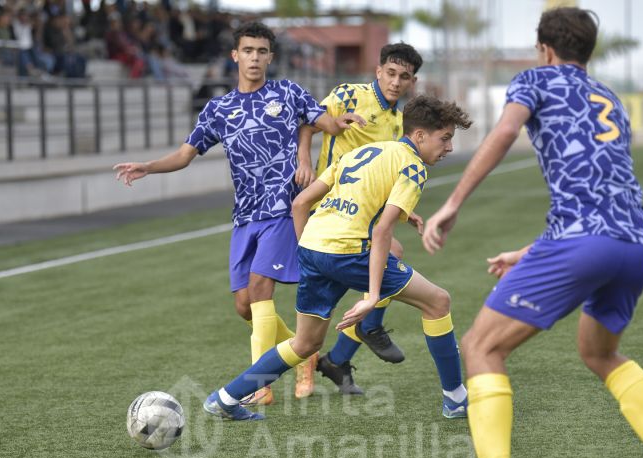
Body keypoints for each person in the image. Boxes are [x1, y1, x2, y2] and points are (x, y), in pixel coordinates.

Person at [420, 7, 643, 458]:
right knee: (599, 351)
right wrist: (531, 253)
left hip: (582, 242)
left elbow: (505, 133)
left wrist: (454, 202)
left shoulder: (534, 79)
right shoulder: (612, 99)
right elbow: (602, 188)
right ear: (587, 51)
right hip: (637, 243)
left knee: (482, 346)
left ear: (544, 50)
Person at [114, 21, 364, 406]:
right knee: (245, 305)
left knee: (262, 290)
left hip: (282, 209)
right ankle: (304, 353)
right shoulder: (219, 109)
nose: (255, 58)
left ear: (270, 57)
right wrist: (148, 166)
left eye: (262, 51)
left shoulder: (287, 91)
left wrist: (337, 123)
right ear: (235, 55)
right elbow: (185, 155)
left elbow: (318, 121)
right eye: (248, 50)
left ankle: (258, 386)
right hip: (244, 216)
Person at [203, 94, 472, 422]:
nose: (449, 148)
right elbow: (383, 231)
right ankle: (456, 399)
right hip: (348, 251)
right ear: (419, 136)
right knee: (438, 302)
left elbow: (300, 203)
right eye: (444, 139)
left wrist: (306, 254)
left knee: (305, 343)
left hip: (314, 246)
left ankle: (226, 398)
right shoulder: (413, 165)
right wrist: (373, 295)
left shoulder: (362, 152)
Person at [295, 42, 424, 396]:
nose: (396, 82)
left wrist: (406, 209)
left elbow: (388, 171)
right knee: (388, 261)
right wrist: (304, 158)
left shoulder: (400, 121)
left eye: (405, 77)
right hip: (330, 204)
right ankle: (362, 333)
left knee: (381, 269)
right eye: (392, 73)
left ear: (412, 81)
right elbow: (311, 121)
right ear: (378, 71)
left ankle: (336, 359)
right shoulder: (349, 95)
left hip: (363, 212)